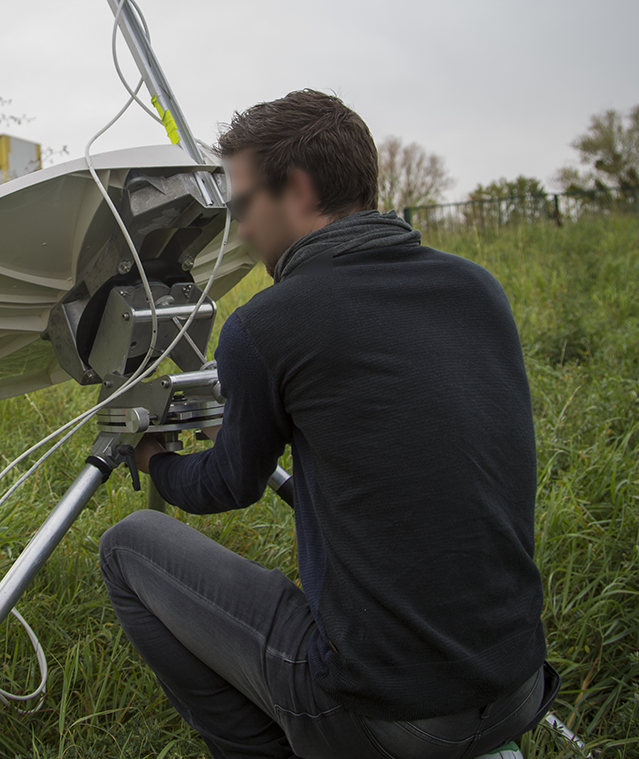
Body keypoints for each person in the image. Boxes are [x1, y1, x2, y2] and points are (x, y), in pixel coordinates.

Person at [98, 90, 559, 759]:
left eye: (244, 204)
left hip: (390, 717)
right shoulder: (476, 287)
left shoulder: (268, 325)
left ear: (301, 189)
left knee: (128, 545)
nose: (242, 229)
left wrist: (153, 461)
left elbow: (229, 485)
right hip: (517, 687)